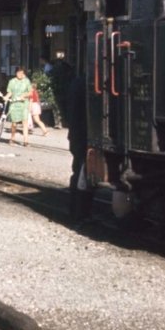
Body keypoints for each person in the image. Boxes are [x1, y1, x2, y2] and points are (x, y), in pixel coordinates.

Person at [65, 72, 92, 222]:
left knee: (79, 172)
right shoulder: (82, 84)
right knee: (82, 173)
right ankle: (79, 212)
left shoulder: (76, 83)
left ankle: (77, 211)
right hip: (82, 135)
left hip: (77, 134)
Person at [5, 66, 32, 147]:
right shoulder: (12, 81)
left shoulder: (26, 81)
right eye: (18, 73)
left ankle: (26, 140)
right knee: (14, 123)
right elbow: (10, 92)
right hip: (14, 103)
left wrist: (25, 95)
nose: (20, 74)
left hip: (24, 104)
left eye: (22, 73)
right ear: (16, 73)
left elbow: (30, 92)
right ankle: (12, 138)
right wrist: (6, 97)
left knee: (25, 122)